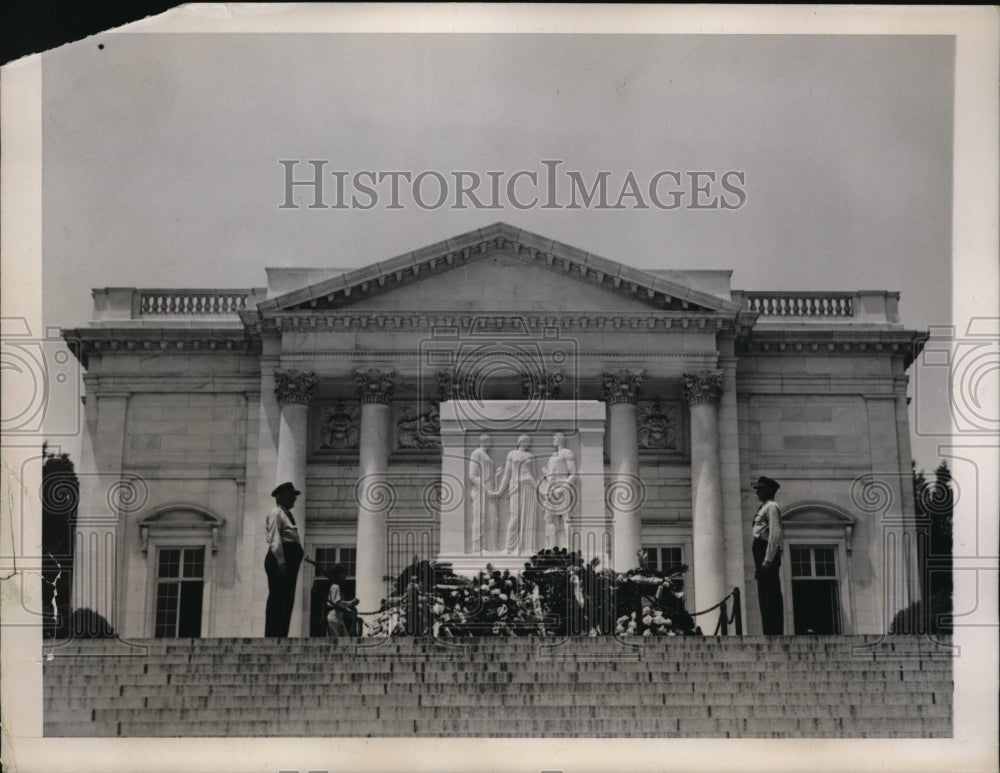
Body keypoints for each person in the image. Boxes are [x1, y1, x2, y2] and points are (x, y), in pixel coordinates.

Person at [264, 481, 304, 637]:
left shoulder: (287, 514)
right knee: (277, 598)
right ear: (281, 497)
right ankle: (273, 634)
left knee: (287, 599)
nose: (294, 499)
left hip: (289, 560)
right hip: (280, 559)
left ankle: (281, 633)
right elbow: (275, 539)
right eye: (291, 495)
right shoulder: (275, 513)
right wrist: (281, 562)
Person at [490, 435, 539, 555]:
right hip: (515, 486)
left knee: (528, 516)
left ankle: (527, 548)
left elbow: (533, 475)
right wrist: (500, 491)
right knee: (515, 516)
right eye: (527, 441)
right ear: (520, 441)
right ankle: (509, 547)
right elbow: (507, 474)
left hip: (528, 487)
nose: (528, 443)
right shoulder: (512, 454)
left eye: (529, 442)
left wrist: (541, 489)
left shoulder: (530, 456)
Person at [751, 476, 784, 635]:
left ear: (769, 490)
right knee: (764, 593)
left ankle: (774, 630)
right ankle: (768, 629)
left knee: (771, 593)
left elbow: (775, 535)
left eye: (760, 489)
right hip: (760, 550)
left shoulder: (771, 507)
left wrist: (768, 559)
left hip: (765, 550)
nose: (757, 492)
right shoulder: (764, 507)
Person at [539, 432, 577, 549]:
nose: (553, 439)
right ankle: (552, 548)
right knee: (548, 518)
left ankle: (570, 548)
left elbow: (573, 474)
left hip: (562, 489)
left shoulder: (567, 453)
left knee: (566, 518)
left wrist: (562, 488)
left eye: (555, 438)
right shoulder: (553, 455)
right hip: (551, 489)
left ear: (561, 439)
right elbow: (551, 474)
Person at [468, 434, 498, 552]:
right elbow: (472, 476)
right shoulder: (476, 453)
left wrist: (496, 476)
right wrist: (486, 489)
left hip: (489, 488)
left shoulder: (487, 456)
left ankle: (491, 547)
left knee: (493, 518)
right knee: (480, 517)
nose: (491, 444)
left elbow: (489, 475)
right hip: (481, 489)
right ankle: (478, 548)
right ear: (485, 441)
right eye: (490, 441)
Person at [325, 564, 359, 637]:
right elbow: (338, 604)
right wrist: (351, 602)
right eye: (343, 574)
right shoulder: (335, 587)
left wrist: (349, 610)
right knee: (340, 641)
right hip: (335, 619)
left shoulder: (336, 587)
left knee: (344, 640)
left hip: (338, 618)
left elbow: (339, 605)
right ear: (338, 575)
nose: (345, 576)